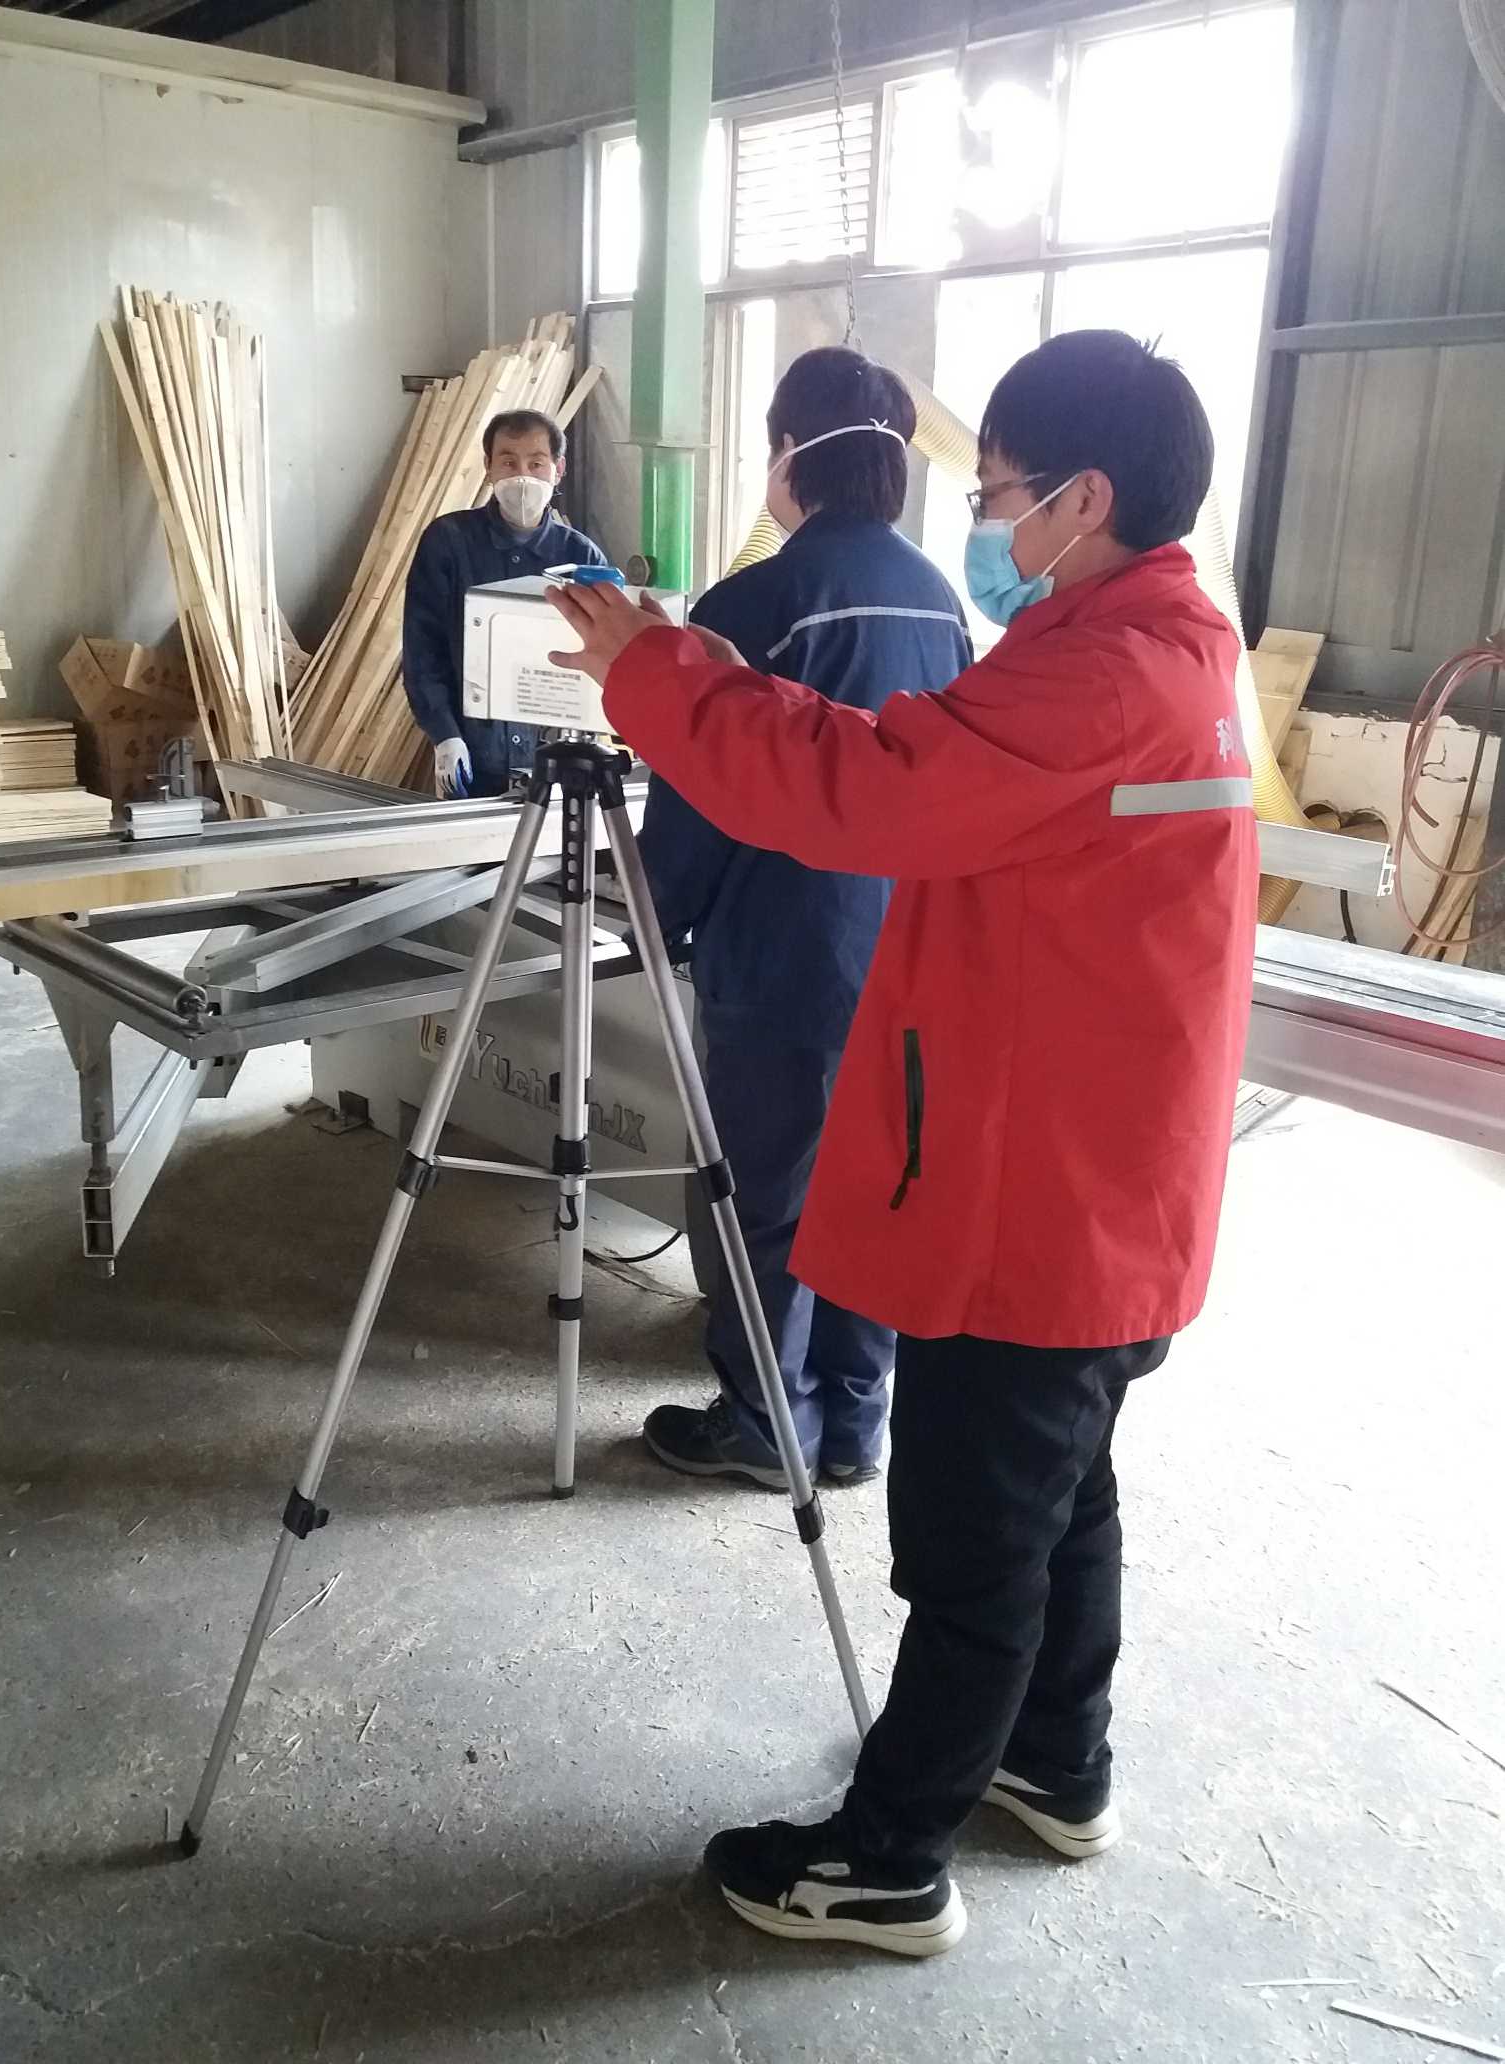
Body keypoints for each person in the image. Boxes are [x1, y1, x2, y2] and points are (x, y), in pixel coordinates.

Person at [550, 330, 1258, 1959]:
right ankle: (1054, 1759)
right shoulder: (1159, 642)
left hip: (1044, 1186)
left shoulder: (1103, 673)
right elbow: (920, 758)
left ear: (1086, 497)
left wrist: (656, 674)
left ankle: (888, 1858)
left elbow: (869, 791)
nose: (989, 523)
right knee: (1061, 1495)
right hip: (1104, 1171)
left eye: (1003, 493)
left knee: (972, 1543)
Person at [637, 347, 970, 1493]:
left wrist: (653, 913)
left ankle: (765, 1423)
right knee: (877, 1189)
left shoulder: (752, 604)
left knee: (767, 1201)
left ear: (789, 455)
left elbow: (702, 792)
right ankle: (855, 1424)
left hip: (783, 951)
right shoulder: (941, 601)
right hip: (904, 950)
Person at [403, 409, 607, 797]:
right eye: (509, 462)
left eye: (536, 463)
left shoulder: (582, 558)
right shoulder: (448, 542)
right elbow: (423, 650)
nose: (522, 476)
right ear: (489, 468)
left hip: (557, 758)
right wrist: (445, 735)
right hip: (473, 754)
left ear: (558, 469)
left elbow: (602, 659)